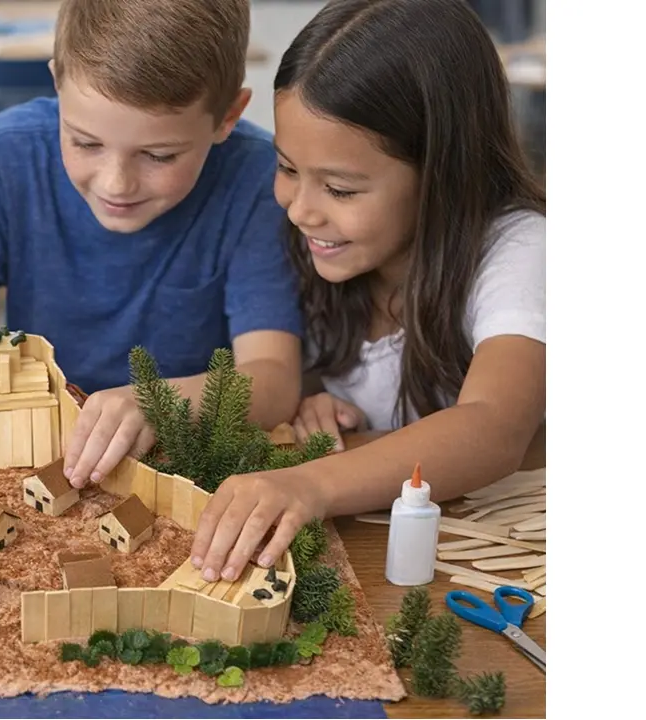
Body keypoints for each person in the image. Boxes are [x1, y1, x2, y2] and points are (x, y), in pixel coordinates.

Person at [0, 0, 304, 488]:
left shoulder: (257, 181)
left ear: (227, 117)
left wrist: (158, 404)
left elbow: (273, 379)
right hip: (37, 456)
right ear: (57, 82)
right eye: (85, 143)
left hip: (189, 468)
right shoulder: (4, 157)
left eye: (159, 155)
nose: (116, 184)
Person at [190, 0, 546, 583]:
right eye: (286, 167)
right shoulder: (322, 247)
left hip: (491, 560)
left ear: (443, 174)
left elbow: (494, 426)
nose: (302, 209)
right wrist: (316, 401)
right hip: (377, 561)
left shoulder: (520, 249)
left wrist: (310, 483)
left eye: (340, 189)